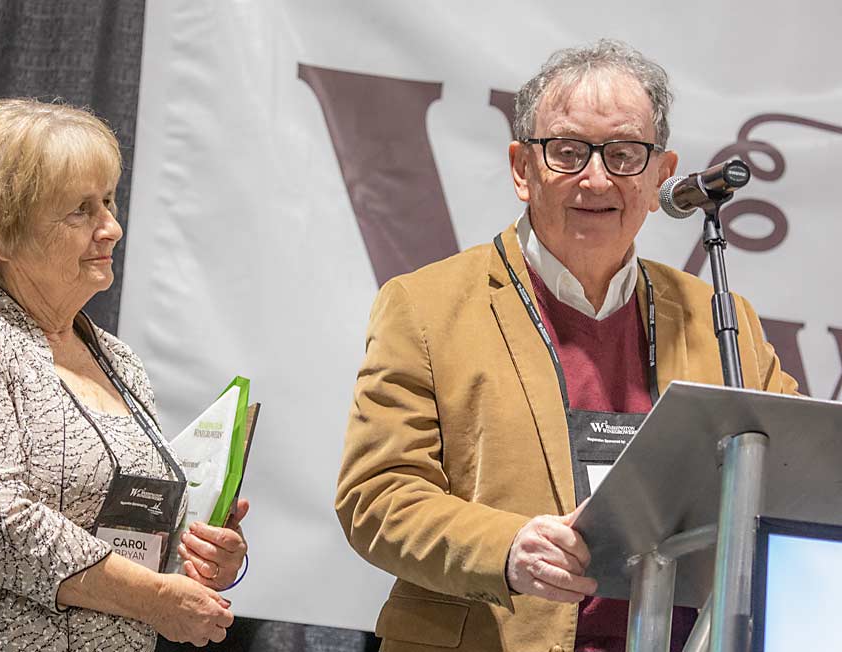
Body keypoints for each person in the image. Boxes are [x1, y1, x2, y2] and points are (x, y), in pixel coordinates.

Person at [336, 39, 798, 652]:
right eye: (568, 151)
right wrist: (506, 548)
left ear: (662, 173)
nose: (597, 177)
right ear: (522, 168)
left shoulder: (721, 320)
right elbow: (377, 496)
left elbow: (799, 473)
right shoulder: (424, 306)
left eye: (626, 153)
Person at [0, 99, 248, 651]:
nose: (112, 228)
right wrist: (152, 599)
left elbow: (130, 534)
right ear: (0, 234)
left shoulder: (119, 362)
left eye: (107, 201)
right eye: (80, 211)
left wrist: (200, 555)